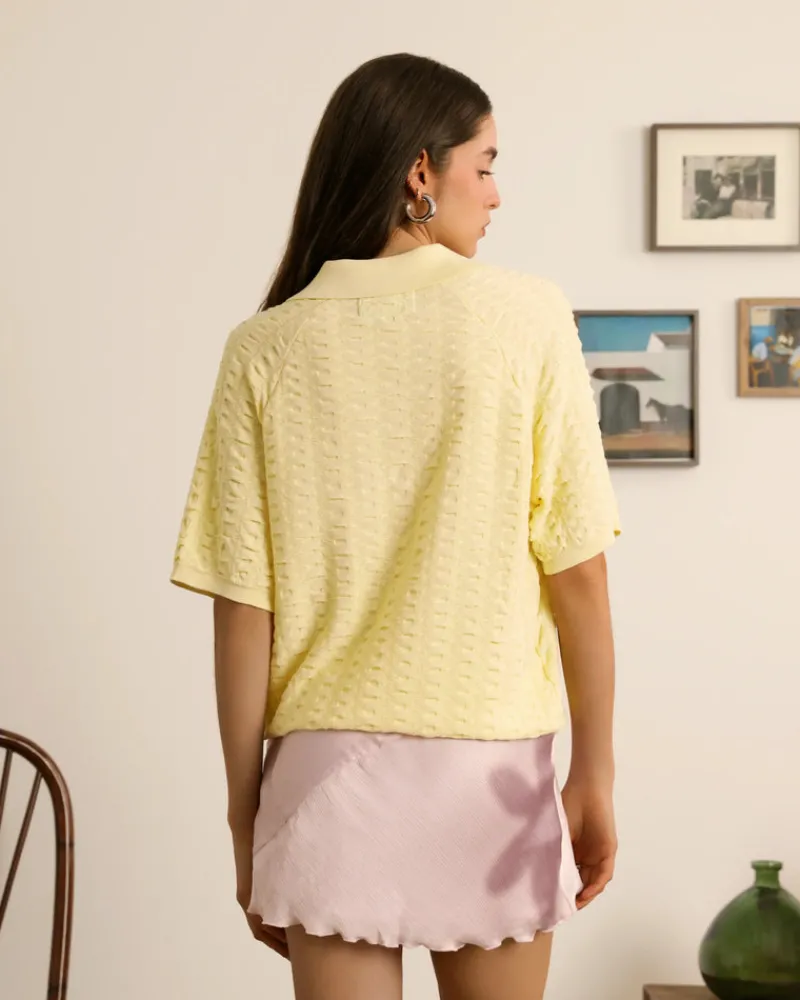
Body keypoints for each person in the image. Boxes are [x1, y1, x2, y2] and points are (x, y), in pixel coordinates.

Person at [170, 52, 620, 1000]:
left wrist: (245, 818)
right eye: (485, 166)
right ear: (423, 170)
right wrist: (595, 771)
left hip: (325, 784)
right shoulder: (527, 316)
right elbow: (577, 573)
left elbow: (243, 612)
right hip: (492, 776)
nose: (495, 195)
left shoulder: (265, 347)